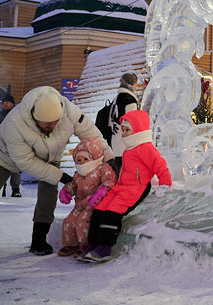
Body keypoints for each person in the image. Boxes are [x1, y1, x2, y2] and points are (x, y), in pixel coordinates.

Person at [0, 86, 113, 262]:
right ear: (35, 118)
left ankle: (39, 241)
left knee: (48, 191)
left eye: (55, 122)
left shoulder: (69, 111)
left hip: (50, 154)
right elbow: (26, 162)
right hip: (5, 157)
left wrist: (110, 160)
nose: (52, 127)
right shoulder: (15, 122)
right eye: (46, 124)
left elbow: (92, 136)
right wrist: (62, 176)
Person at [79, 109, 171, 263]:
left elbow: (160, 166)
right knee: (99, 209)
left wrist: (164, 184)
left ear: (139, 130)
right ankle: (93, 244)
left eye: (127, 130)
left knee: (113, 212)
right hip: (121, 186)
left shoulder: (147, 148)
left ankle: (105, 248)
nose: (123, 134)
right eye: (122, 130)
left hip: (137, 187)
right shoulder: (129, 149)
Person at [57, 138, 117, 257]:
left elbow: (110, 180)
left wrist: (101, 192)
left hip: (93, 204)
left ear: (94, 157)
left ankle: (85, 244)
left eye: (86, 159)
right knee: (69, 221)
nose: (83, 162)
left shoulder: (102, 168)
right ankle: (71, 244)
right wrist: (66, 191)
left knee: (82, 221)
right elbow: (73, 185)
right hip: (79, 204)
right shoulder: (78, 174)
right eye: (79, 159)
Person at [94, 72, 138, 174]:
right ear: (132, 83)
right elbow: (132, 122)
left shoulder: (116, 98)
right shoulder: (129, 100)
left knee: (118, 175)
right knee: (127, 176)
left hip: (116, 143)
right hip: (126, 144)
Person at [0, 93, 21, 197]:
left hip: (16, 145)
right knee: (0, 168)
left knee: (15, 168)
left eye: (8, 102)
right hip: (0, 147)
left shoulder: (19, 115)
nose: (5, 104)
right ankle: (2, 189)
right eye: (4, 102)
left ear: (13, 104)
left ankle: (16, 189)